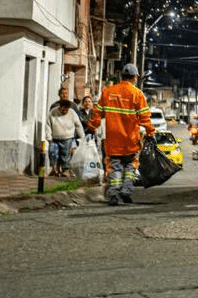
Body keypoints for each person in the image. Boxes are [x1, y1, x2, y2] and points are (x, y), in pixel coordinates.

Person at [86, 63, 156, 206]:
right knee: (131, 166)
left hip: (112, 140)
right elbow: (145, 118)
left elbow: (97, 112)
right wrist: (150, 132)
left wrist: (92, 127)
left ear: (121, 76)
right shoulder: (137, 94)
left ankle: (113, 194)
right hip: (130, 140)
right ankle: (126, 190)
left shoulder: (108, 92)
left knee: (114, 167)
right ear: (135, 78)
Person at [45, 99, 85, 177]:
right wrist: (48, 136)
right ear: (60, 107)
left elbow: (78, 125)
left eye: (67, 109)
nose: (65, 111)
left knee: (65, 155)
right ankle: (54, 170)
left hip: (67, 138)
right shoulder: (53, 112)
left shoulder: (72, 113)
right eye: (64, 109)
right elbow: (48, 125)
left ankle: (65, 170)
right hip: (54, 138)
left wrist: (82, 136)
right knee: (53, 153)